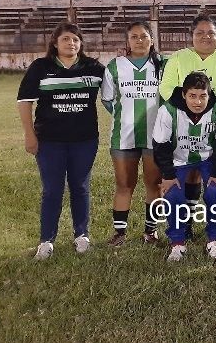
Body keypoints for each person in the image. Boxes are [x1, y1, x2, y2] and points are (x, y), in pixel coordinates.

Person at [18, 22, 105, 260]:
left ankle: (82, 236)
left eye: (75, 39)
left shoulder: (93, 67)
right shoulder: (41, 67)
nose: (71, 43)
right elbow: (25, 102)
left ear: (81, 44)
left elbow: (114, 94)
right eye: (66, 39)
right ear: (55, 43)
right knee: (52, 190)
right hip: (50, 141)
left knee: (80, 187)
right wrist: (30, 135)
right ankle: (46, 241)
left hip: (85, 139)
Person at [159, 13, 216, 241]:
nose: (206, 37)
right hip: (187, 129)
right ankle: (185, 224)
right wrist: (194, 109)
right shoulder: (178, 58)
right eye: (200, 32)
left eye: (211, 32)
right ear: (192, 36)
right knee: (189, 177)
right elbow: (166, 89)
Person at [153, 72, 216, 262]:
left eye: (202, 96)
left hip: (209, 158)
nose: (198, 102)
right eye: (192, 96)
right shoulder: (168, 110)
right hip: (178, 159)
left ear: (209, 94)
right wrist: (167, 174)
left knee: (215, 192)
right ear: (184, 94)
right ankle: (177, 243)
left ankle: (214, 240)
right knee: (172, 193)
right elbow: (160, 144)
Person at [101, 21, 163, 246]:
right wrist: (126, 116)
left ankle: (151, 231)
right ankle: (119, 233)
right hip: (123, 136)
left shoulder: (163, 64)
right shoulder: (115, 66)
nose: (139, 40)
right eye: (134, 37)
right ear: (127, 41)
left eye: (144, 36)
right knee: (124, 185)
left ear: (152, 40)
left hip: (155, 136)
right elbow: (108, 100)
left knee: (153, 185)